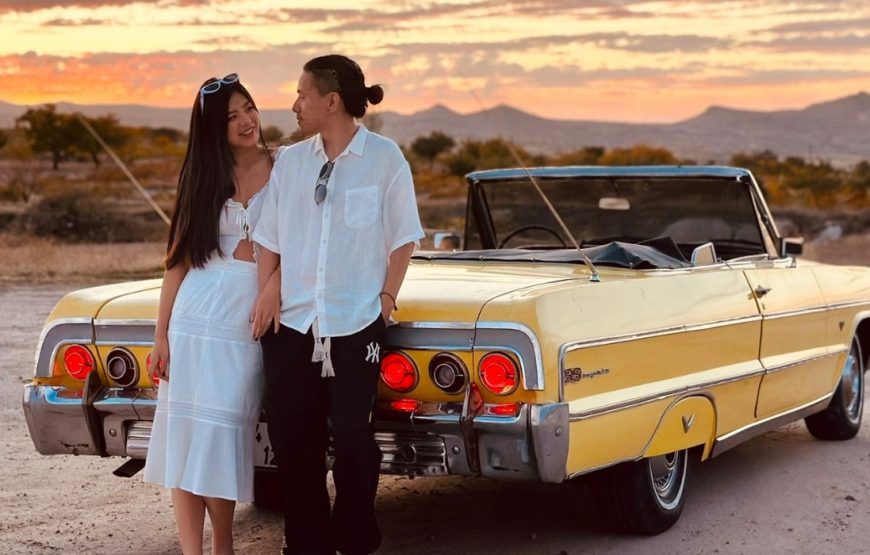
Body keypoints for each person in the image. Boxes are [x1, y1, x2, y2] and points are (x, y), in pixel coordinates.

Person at [251, 54, 424, 555]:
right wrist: (269, 288)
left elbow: (404, 238)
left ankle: (355, 537)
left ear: (331, 100)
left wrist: (386, 303)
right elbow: (271, 237)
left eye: (302, 94)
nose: (294, 103)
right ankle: (306, 544)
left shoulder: (385, 159)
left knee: (352, 438)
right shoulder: (292, 163)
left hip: (356, 322)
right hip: (293, 323)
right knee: (292, 442)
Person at [143, 73, 280, 555]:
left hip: (244, 323)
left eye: (248, 108)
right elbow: (177, 264)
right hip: (192, 320)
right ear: (212, 130)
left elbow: (300, 248)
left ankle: (223, 544)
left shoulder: (285, 167)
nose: (246, 121)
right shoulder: (202, 179)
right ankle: (191, 552)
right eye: (231, 117)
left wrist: (272, 289)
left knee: (223, 435)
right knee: (184, 436)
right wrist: (160, 335)